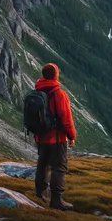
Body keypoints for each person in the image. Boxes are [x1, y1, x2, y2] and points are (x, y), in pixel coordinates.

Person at [34, 62, 76, 210]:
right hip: (56, 138)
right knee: (59, 167)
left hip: (40, 136)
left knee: (42, 164)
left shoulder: (37, 91)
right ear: (55, 75)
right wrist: (72, 136)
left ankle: (39, 194)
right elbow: (66, 118)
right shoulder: (59, 94)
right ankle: (56, 200)